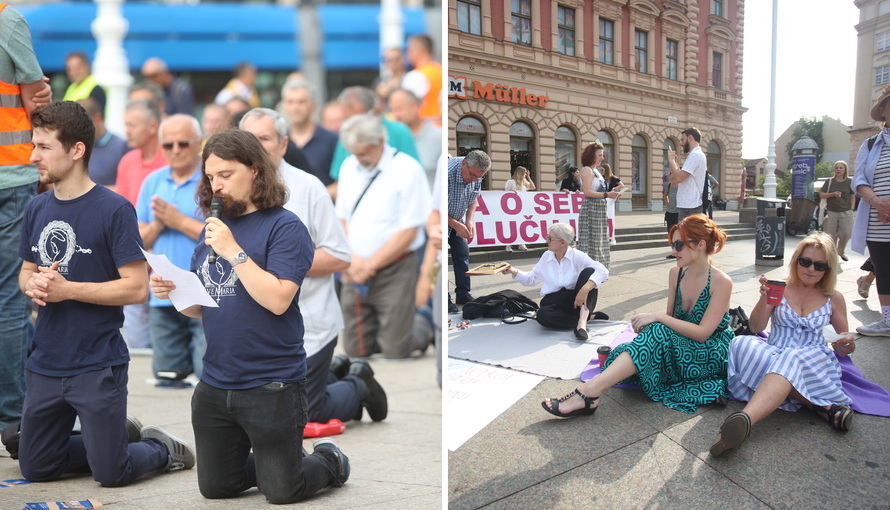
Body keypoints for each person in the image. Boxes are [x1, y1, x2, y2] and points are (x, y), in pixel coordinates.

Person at [149, 129, 349, 503]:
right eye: (210, 177)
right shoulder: (214, 227)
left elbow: (277, 299)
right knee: (216, 487)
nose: (216, 186)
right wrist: (174, 290)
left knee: (283, 492)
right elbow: (202, 306)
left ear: (255, 170)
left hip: (271, 383)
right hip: (215, 381)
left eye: (225, 175)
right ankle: (277, 462)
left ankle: (327, 460)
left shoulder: (285, 226)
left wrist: (234, 251)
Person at [18, 101, 194, 487]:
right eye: (35, 145)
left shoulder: (114, 209)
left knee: (112, 474)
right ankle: (111, 441)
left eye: (44, 147)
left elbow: (136, 288)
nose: (34, 156)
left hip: (97, 362)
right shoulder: (36, 208)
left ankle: (159, 448)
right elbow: (25, 272)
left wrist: (68, 290)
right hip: (46, 360)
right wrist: (29, 284)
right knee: (35, 468)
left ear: (76, 150)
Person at [239, 108, 386, 423]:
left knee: (305, 414)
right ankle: (330, 373)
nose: (256, 146)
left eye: (264, 138)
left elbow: (339, 256)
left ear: (283, 144)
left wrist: (277, 264)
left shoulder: (308, 188)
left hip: (309, 322)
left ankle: (358, 385)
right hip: (257, 325)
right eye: (249, 139)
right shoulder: (233, 191)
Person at [543, 214, 733, 418]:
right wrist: (652, 323)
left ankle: (589, 392)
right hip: (682, 343)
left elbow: (703, 333)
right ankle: (591, 392)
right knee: (643, 338)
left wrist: (657, 317)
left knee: (652, 333)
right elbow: (671, 320)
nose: (673, 251)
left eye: (679, 245)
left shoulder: (721, 282)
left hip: (709, 350)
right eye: (672, 245)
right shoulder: (676, 273)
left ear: (701, 244)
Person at [712, 233, 856, 456]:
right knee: (740, 342)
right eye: (805, 262)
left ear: (828, 269)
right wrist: (765, 298)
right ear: (796, 260)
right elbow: (757, 326)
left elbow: (840, 345)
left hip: (813, 360)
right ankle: (821, 408)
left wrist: (847, 343)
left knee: (791, 357)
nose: (810, 269)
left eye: (819, 266)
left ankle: (746, 419)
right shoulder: (780, 288)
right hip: (774, 353)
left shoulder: (833, 298)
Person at [336, 114, 431, 359]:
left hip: (395, 268)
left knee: (395, 351)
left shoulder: (408, 169)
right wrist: (355, 261)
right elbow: (342, 219)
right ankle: (388, 329)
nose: (358, 159)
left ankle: (423, 324)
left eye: (363, 153)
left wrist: (369, 265)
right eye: (354, 153)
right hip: (355, 267)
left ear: (379, 141)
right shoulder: (349, 166)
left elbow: (409, 231)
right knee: (356, 350)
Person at [0, 1, 53, 431]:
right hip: (8, 173)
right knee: (11, 300)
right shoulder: (5, 17)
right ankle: (15, 417)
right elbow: (37, 96)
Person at [136, 114, 206, 382]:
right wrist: (159, 224)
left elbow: (226, 238)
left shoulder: (211, 180)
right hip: (163, 293)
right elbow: (138, 241)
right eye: (169, 145)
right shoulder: (152, 181)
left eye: (183, 143)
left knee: (207, 375)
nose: (176, 150)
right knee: (167, 377)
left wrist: (178, 221)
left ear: (199, 143)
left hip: (206, 292)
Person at [116, 99, 169, 351]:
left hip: (167, 276)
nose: (126, 130)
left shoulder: (171, 163)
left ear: (152, 127)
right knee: (138, 351)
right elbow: (125, 225)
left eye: (132, 125)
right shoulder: (127, 162)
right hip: (135, 271)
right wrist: (159, 224)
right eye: (126, 124)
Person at [501, 223, 609, 340]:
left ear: (563, 243)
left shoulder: (576, 255)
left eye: (550, 238)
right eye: (547, 237)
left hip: (576, 300)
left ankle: (581, 324)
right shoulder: (546, 256)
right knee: (542, 316)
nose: (547, 240)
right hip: (554, 303)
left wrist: (585, 288)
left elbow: (603, 270)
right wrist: (513, 271)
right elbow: (532, 279)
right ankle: (588, 317)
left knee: (589, 273)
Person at [328, 86, 420, 193]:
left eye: (358, 120)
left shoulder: (400, 132)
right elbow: (340, 184)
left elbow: (414, 180)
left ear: (374, 112)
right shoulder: (348, 132)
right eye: (347, 119)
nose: (352, 126)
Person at [852, 85, 890, 338]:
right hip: (878, 220)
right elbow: (859, 179)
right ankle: (887, 319)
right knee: (884, 269)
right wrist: (878, 202)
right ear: (884, 110)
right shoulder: (871, 143)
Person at [447, 150, 491, 312]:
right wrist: (454, 224)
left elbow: (474, 199)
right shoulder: (446, 173)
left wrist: (469, 220)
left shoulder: (476, 176)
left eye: (478, 177)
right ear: (464, 163)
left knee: (462, 254)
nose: (474, 180)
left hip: (457, 220)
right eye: (472, 175)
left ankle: (463, 293)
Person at [417, 156, 445, 387]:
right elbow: (433, 214)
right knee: (438, 323)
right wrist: (433, 230)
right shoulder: (441, 164)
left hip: (442, 258)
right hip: (439, 259)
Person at [281, 80, 339, 189]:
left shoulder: (332, 140)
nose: (295, 107)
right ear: (284, 105)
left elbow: (342, 183)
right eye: (290, 102)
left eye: (301, 102)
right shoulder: (278, 141)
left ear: (313, 105)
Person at [577, 141, 619, 271]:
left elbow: (600, 192)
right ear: (591, 155)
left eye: (602, 155)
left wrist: (611, 194)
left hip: (599, 208)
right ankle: (589, 270)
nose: (602, 158)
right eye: (599, 155)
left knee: (600, 239)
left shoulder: (596, 171)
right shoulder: (587, 170)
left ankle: (600, 268)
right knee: (591, 240)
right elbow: (587, 192)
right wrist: (606, 194)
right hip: (591, 207)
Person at [388, 88, 442, 186]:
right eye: (392, 110)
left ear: (414, 106)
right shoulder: (389, 138)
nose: (396, 115)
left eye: (399, 109)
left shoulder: (439, 137)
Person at [78, 98, 128, 192]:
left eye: (83, 124)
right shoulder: (73, 147)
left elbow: (129, 189)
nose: (78, 130)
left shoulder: (121, 147)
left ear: (98, 119)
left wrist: (89, 193)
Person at [401, 35, 442, 127]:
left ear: (419, 51)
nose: (407, 54)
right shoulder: (441, 71)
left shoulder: (415, 76)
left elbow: (405, 109)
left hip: (424, 129)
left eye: (410, 50)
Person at [819, 161, 855, 262]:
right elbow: (822, 195)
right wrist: (833, 194)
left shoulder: (849, 182)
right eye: (836, 168)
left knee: (846, 233)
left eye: (841, 168)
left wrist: (852, 208)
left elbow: (852, 196)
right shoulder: (830, 181)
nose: (838, 170)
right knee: (830, 237)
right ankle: (832, 256)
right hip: (831, 212)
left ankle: (841, 251)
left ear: (845, 170)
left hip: (846, 212)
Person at [668, 127, 707, 222]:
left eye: (682, 140)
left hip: (689, 206)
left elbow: (679, 178)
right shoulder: (698, 154)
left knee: (686, 236)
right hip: (691, 205)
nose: (681, 144)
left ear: (690, 138)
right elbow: (682, 176)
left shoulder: (695, 155)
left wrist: (671, 161)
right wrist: (675, 164)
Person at [504, 165, 535, 252]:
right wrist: (510, 192)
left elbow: (533, 187)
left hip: (522, 208)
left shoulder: (524, 184)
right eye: (525, 173)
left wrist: (529, 177)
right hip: (511, 208)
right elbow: (504, 193)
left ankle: (521, 243)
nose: (525, 174)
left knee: (521, 225)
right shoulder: (511, 182)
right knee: (511, 226)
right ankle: (508, 245)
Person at [664, 167, 680, 259]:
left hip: (678, 212)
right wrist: (667, 203)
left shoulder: (681, 185)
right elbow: (665, 194)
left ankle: (679, 251)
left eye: (671, 173)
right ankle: (674, 251)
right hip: (670, 212)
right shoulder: (669, 185)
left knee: (678, 233)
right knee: (671, 233)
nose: (669, 174)